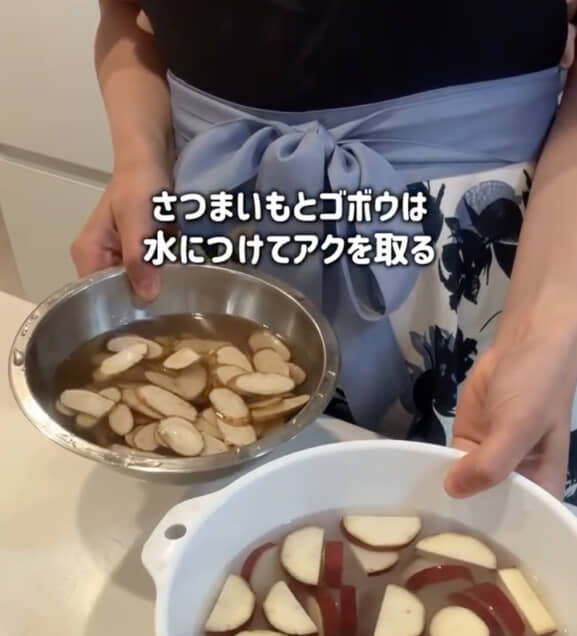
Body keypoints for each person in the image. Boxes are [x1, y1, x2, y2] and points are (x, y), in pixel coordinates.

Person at [72, 0, 577, 502]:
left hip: (488, 262)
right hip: (222, 228)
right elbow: (125, 16)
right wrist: (139, 159)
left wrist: (541, 327)